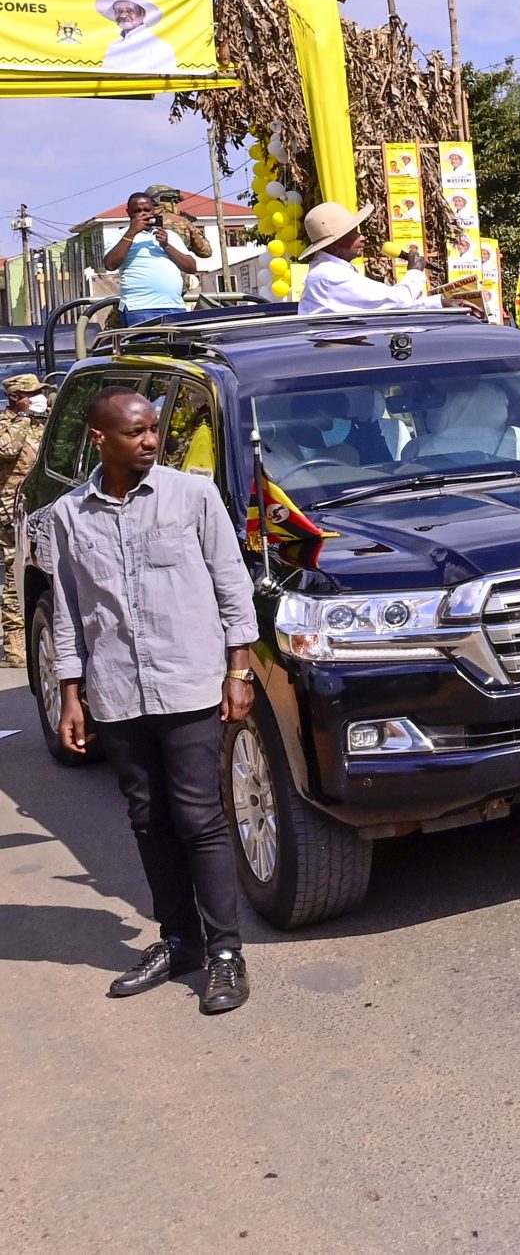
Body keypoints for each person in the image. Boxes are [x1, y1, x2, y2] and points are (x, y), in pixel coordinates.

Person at [36, 388, 260, 1014]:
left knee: (199, 818)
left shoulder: (192, 496)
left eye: (154, 429)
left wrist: (239, 671)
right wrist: (71, 695)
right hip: (116, 691)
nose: (151, 440)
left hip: (188, 682)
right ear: (100, 439)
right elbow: (71, 616)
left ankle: (224, 953)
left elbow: (231, 586)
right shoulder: (67, 517)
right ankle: (179, 940)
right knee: (147, 820)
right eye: (136, 432)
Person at [296, 201, 433, 315]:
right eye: (354, 233)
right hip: (342, 346)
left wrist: (438, 303)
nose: (362, 238)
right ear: (336, 242)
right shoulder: (329, 275)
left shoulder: (331, 270)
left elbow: (385, 305)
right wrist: (414, 271)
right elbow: (399, 301)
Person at [101, 189, 200, 325]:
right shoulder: (119, 236)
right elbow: (110, 264)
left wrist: (166, 245)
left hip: (174, 306)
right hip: (140, 309)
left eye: (147, 210)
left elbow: (191, 267)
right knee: (147, 346)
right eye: (137, 211)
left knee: (177, 346)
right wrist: (132, 232)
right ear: (128, 212)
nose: (143, 214)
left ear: (153, 211)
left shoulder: (169, 235)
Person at [0, 373, 43, 661]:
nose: (37, 397)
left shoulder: (39, 422)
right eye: (32, 393)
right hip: (8, 508)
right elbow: (7, 449)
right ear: (17, 398)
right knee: (14, 573)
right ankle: (15, 644)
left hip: (37, 506)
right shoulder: (6, 424)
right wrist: (25, 418)